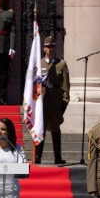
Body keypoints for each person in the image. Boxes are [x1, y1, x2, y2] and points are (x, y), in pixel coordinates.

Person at [35, 36, 70, 164]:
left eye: (52, 46)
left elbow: (65, 85)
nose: (50, 49)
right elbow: (34, 84)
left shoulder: (61, 64)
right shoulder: (39, 63)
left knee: (55, 129)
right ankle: (38, 156)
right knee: (41, 129)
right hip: (42, 101)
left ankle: (58, 157)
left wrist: (64, 101)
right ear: (44, 48)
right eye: (48, 47)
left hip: (55, 102)